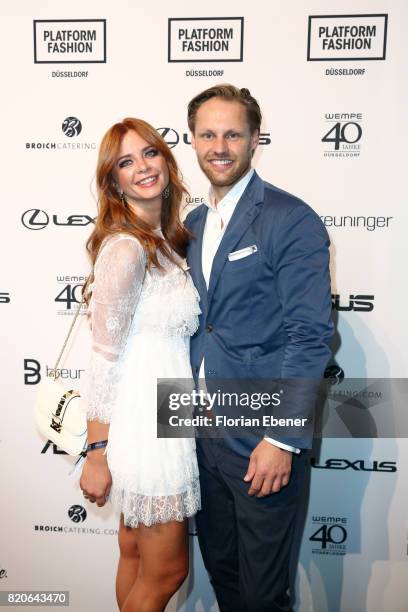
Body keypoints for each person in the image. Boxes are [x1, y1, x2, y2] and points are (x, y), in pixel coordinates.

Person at [184, 85, 333, 611]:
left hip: (260, 441)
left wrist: (282, 439)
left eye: (232, 134)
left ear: (254, 141)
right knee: (223, 575)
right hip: (200, 435)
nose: (219, 146)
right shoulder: (194, 224)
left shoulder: (289, 218)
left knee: (263, 595)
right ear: (193, 140)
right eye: (207, 134)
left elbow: (310, 335)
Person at [79, 118, 201, 612]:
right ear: (114, 181)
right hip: (143, 429)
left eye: (149, 153)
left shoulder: (165, 240)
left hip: (165, 416)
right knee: (167, 570)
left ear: (167, 161)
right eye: (125, 162)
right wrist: (97, 451)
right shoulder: (128, 248)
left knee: (134, 554)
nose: (142, 167)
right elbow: (104, 358)